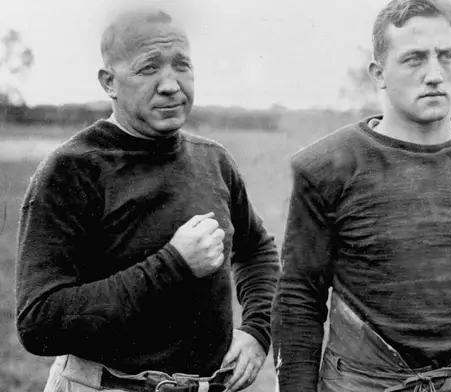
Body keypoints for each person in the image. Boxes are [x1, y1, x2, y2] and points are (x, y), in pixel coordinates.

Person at [271, 0, 451, 391]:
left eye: (446, 56)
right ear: (379, 74)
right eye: (414, 59)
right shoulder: (324, 169)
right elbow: (299, 298)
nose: (434, 74)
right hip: (362, 382)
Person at [15, 9, 279, 392]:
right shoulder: (70, 170)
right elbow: (38, 323)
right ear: (109, 82)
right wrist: (173, 265)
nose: (171, 84)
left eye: (182, 65)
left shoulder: (214, 160)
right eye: (148, 68)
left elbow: (257, 249)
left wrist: (257, 330)